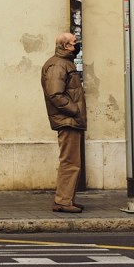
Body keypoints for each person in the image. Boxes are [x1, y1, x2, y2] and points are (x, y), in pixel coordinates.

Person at [40, 30, 86, 213]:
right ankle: (63, 201)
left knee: (72, 161)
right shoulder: (58, 65)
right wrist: (74, 110)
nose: (77, 45)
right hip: (68, 120)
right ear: (66, 46)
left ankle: (66, 199)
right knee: (69, 162)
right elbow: (55, 94)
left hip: (71, 120)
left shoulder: (64, 63)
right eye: (75, 42)